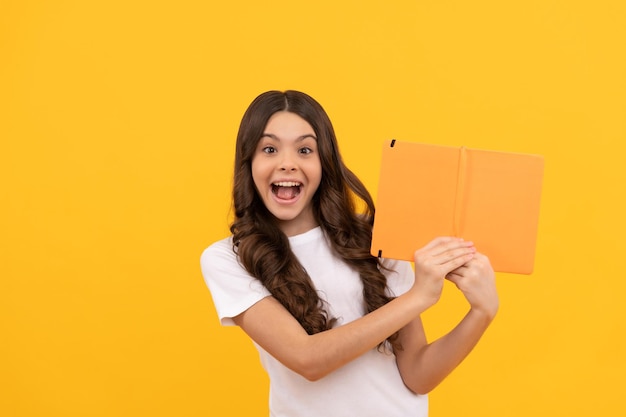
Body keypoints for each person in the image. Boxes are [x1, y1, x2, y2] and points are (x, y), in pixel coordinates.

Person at [200, 90, 499, 417]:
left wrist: (481, 313)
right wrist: (418, 297)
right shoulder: (228, 258)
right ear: (249, 162)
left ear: (323, 162)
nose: (287, 163)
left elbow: (417, 375)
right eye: (269, 149)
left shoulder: (376, 236)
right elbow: (307, 359)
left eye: (304, 149)